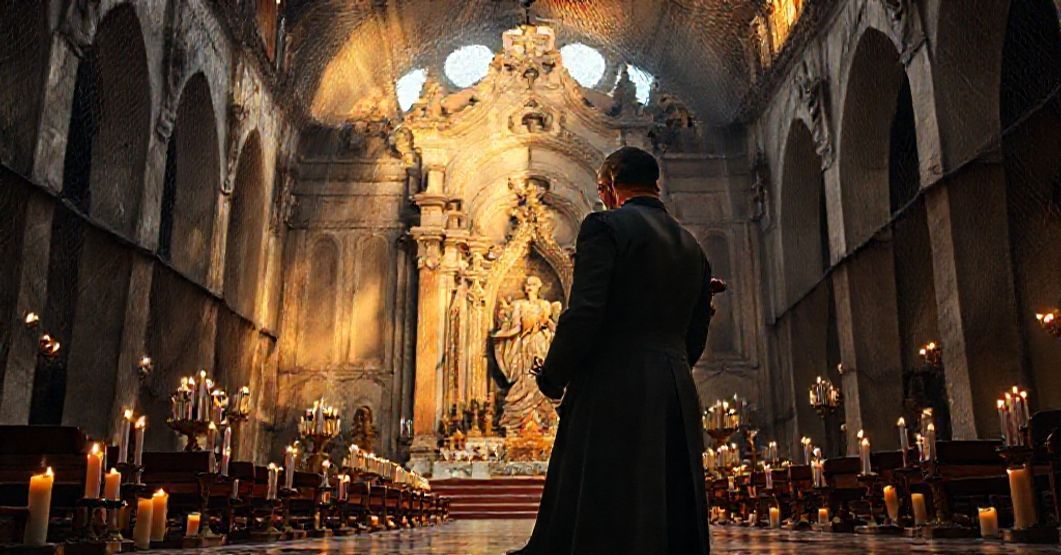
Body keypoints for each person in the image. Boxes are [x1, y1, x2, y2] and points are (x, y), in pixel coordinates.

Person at [511, 146, 713, 554]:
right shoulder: (693, 246)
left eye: (603, 187)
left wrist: (552, 377)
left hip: (613, 385)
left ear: (610, 186)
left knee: (606, 500)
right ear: (655, 184)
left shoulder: (605, 227)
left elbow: (584, 312)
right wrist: (670, 366)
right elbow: (695, 333)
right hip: (674, 387)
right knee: (668, 497)